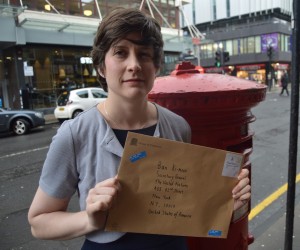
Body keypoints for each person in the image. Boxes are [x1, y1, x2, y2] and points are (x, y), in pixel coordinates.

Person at [28, 8, 251, 250]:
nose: (134, 65)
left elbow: (185, 202)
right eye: (121, 53)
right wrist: (89, 219)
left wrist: (228, 198)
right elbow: (39, 222)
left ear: (155, 67)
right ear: (102, 67)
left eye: (144, 54)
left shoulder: (178, 127)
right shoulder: (74, 134)